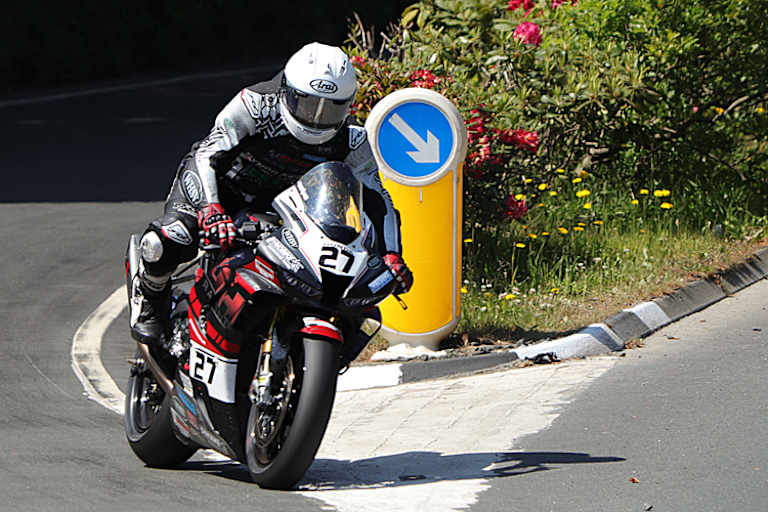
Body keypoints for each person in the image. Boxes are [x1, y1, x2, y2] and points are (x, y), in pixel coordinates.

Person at [129, 42, 413, 353]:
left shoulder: (353, 140)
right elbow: (208, 153)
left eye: (330, 108)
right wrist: (210, 209)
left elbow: (378, 197)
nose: (316, 118)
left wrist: (392, 254)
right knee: (167, 239)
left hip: (281, 209)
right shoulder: (255, 104)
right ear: (288, 91)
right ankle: (150, 299)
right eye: (308, 104)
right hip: (218, 193)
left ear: (348, 106)